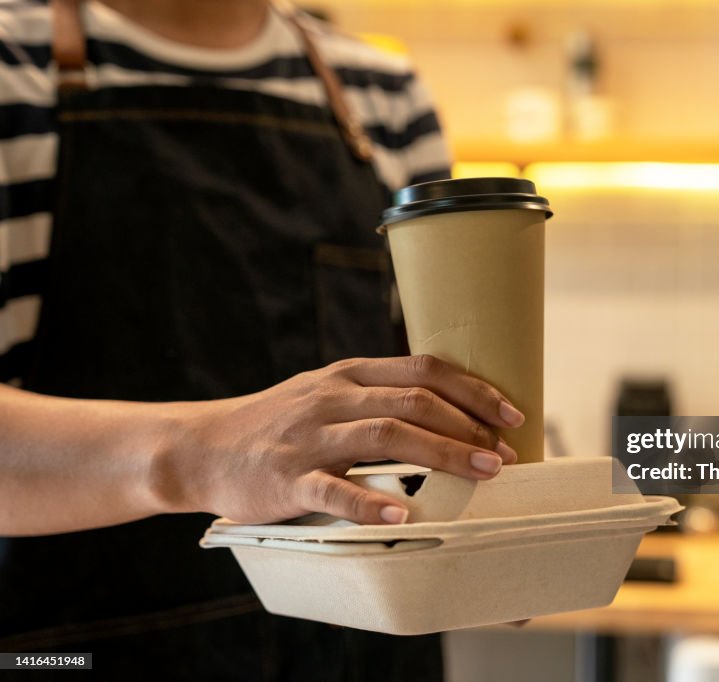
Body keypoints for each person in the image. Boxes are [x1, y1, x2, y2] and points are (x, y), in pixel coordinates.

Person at [0, 0, 521, 679]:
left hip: (362, 650)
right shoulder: (15, 69)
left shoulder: (383, 96)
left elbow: (426, 404)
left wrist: (494, 521)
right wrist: (200, 455)